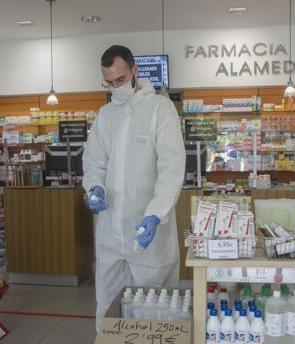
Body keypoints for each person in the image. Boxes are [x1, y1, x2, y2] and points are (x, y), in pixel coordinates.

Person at [83, 45, 185, 330]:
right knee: (107, 307)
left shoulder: (159, 109)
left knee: (152, 315)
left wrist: (156, 213)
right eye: (110, 82)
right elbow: (93, 162)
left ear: (135, 71)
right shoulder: (105, 115)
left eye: (121, 79)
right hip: (110, 237)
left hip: (148, 235)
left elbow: (172, 168)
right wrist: (94, 188)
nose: (117, 87)